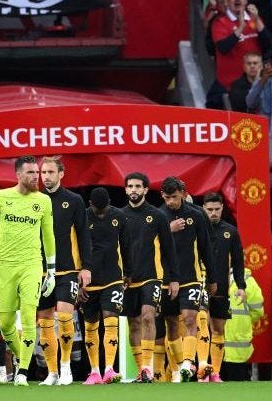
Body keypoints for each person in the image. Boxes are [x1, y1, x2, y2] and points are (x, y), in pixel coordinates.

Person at [0, 156, 56, 386]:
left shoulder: (43, 201)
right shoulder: (1, 197)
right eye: (30, 173)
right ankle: (22, 355)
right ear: (18, 175)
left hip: (31, 266)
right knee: (6, 323)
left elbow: (48, 236)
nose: (35, 177)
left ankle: (22, 371)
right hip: (5, 268)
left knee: (29, 317)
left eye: (37, 173)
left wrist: (51, 269)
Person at [36, 157, 91, 386]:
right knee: (45, 321)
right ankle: (52, 372)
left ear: (61, 174)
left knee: (65, 316)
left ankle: (66, 366)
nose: (45, 176)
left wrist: (86, 267)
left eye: (50, 172)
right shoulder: (34, 200)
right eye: (42, 172)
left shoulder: (74, 200)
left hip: (67, 269)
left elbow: (83, 235)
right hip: (39, 272)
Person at [121, 171, 179, 383]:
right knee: (133, 323)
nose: (134, 190)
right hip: (128, 278)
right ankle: (141, 372)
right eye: (130, 186)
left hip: (152, 276)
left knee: (147, 316)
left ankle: (147, 367)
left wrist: (173, 279)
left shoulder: (157, 216)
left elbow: (169, 249)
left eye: (138, 186)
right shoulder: (119, 216)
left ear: (146, 189)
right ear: (126, 189)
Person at [160, 176, 215, 382]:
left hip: (190, 276)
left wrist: (212, 276)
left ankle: (187, 363)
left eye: (174, 197)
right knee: (172, 324)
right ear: (162, 196)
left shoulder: (197, 215)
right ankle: (177, 368)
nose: (171, 202)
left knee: (190, 318)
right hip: (165, 278)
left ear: (183, 193)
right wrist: (168, 229)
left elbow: (206, 247)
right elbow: (149, 245)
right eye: (167, 198)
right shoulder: (158, 216)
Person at [80, 186, 128, 385]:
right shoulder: (82, 217)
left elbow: (126, 244)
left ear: (110, 203)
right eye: (98, 211)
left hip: (113, 278)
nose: (102, 214)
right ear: (90, 205)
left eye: (105, 209)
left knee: (111, 318)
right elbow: (77, 247)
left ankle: (109, 368)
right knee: (91, 324)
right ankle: (94, 371)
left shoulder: (119, 216)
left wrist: (130, 273)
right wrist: (78, 280)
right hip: (89, 281)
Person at [201, 192, 245, 383]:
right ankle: (201, 370)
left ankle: (216, 373)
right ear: (203, 209)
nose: (213, 213)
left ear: (222, 208)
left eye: (217, 209)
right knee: (199, 327)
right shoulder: (196, 229)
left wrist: (241, 286)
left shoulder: (231, 232)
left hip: (221, 289)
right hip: (198, 286)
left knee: (218, 330)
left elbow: (238, 261)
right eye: (209, 210)